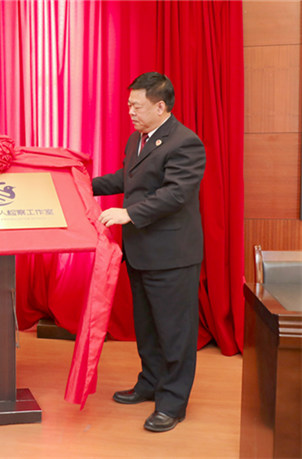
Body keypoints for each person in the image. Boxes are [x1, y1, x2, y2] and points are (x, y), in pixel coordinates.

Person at [92, 72, 205, 432]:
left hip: (172, 255)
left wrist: (128, 213)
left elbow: (176, 193)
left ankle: (172, 403)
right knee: (148, 327)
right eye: (129, 105)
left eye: (136, 106)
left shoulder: (185, 142)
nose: (130, 112)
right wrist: (82, 184)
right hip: (141, 252)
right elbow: (126, 179)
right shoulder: (137, 139)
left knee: (174, 333)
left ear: (160, 106)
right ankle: (150, 383)